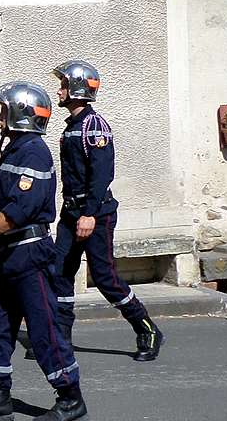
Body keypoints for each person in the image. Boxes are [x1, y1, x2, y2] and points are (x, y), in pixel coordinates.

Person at [0, 82, 86, 421]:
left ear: (21, 115)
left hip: (30, 255)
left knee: (44, 329)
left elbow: (19, 211)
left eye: (3, 112)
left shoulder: (34, 153)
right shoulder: (15, 150)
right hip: (6, 254)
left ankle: (70, 399)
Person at [49, 61, 163, 362]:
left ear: (77, 89)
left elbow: (102, 175)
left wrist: (89, 214)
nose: (58, 91)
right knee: (59, 272)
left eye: (63, 85)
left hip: (95, 213)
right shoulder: (72, 126)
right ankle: (60, 337)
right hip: (71, 212)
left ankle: (146, 328)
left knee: (104, 277)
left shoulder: (94, 125)